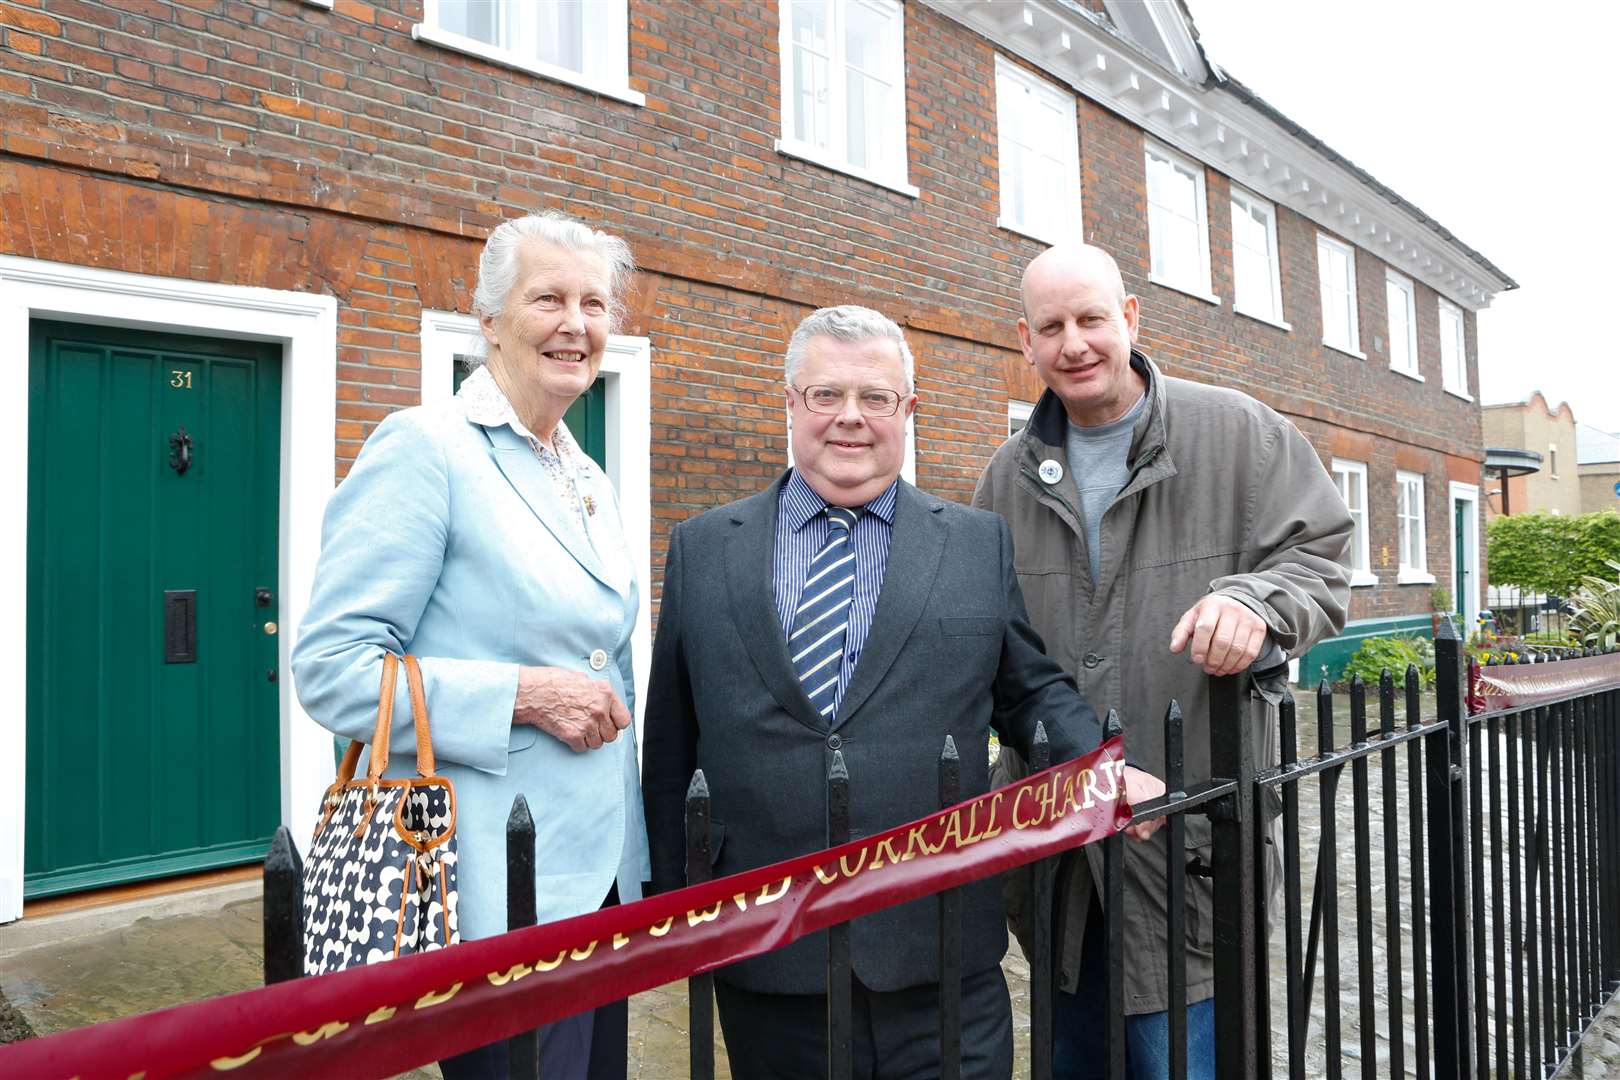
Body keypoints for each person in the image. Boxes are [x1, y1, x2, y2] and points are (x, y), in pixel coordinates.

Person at [641, 304, 1164, 1080]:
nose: (849, 419)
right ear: (790, 403)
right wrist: (671, 912)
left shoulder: (974, 542)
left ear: (908, 412)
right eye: (825, 395)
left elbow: (1030, 691)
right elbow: (672, 744)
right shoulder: (704, 547)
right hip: (769, 952)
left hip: (940, 952)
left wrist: (1102, 768)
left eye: (876, 398)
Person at [973, 244, 1353, 1080]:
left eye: (1091, 319)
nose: (1074, 343)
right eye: (1051, 327)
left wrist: (1256, 603)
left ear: (1131, 319)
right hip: (1060, 861)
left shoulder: (1241, 435)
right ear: (1025, 343)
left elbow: (1323, 564)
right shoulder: (1004, 480)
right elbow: (991, 644)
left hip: (1192, 853)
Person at [292, 211, 649, 1080]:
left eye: (595, 303)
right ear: (488, 322)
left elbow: (613, 671)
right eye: (549, 298)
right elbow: (332, 671)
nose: (577, 324)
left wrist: (635, 872)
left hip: (598, 886)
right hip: (494, 896)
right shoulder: (428, 450)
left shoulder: (587, 475)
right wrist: (522, 696)